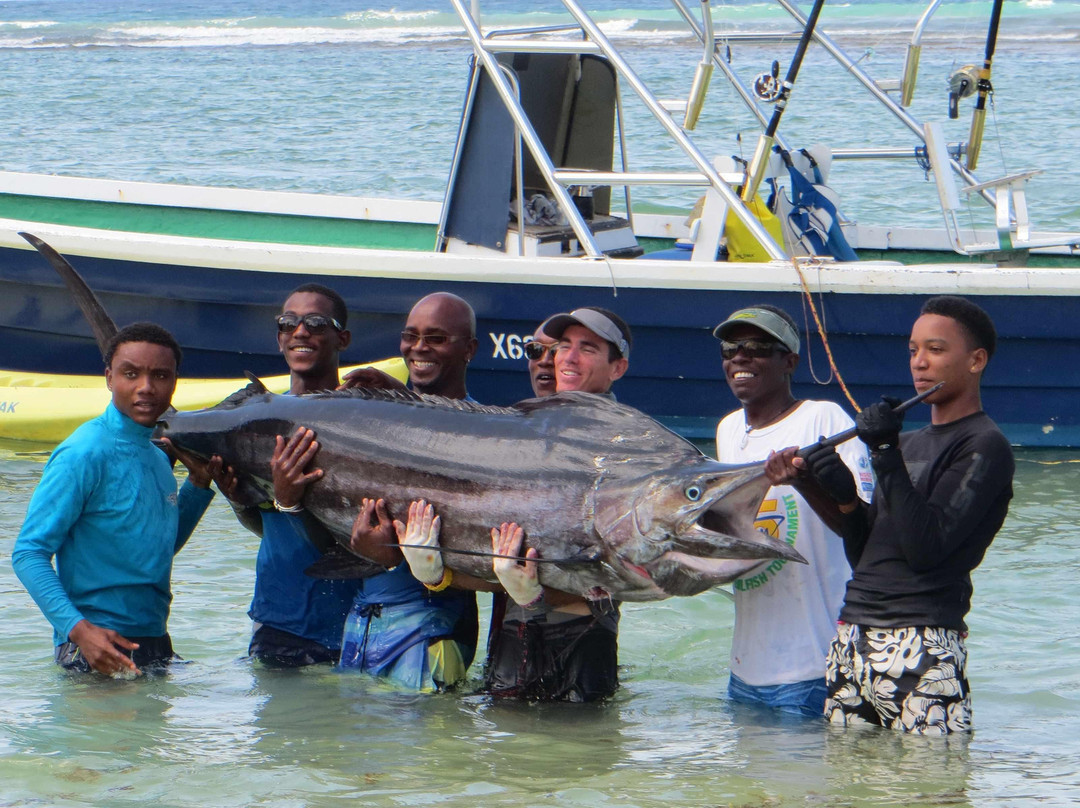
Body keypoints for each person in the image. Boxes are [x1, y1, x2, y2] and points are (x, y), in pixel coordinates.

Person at [766, 295, 1014, 734]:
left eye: (936, 350)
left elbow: (926, 547)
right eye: (913, 351)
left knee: (929, 793)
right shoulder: (911, 443)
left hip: (923, 643)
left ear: (976, 360)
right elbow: (866, 555)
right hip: (853, 637)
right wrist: (830, 491)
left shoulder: (983, 444)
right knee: (851, 788)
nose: (920, 363)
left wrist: (882, 450)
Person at [12, 323, 226, 676]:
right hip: (96, 647)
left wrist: (199, 485)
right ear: (109, 378)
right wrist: (80, 632)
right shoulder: (83, 453)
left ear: (175, 381)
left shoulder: (157, 456)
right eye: (131, 374)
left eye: (159, 375)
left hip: (154, 639)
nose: (145, 387)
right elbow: (28, 553)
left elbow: (155, 549)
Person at [712, 305, 872, 717]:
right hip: (744, 671)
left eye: (757, 347)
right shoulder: (728, 429)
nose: (740, 358)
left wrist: (802, 479)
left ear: (790, 362)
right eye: (731, 349)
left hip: (812, 670)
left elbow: (864, 531)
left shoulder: (824, 418)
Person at [340, 292, 480, 691]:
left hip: (431, 636)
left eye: (436, 338)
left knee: (429, 754)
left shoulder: (481, 434)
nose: (418, 347)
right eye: (411, 335)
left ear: (469, 349)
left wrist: (392, 561)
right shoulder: (387, 420)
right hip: (362, 628)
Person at [231, 283, 363, 667]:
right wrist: (239, 498)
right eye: (289, 323)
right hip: (278, 621)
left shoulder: (363, 419)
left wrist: (290, 502)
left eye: (316, 323)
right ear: (279, 338)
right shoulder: (258, 420)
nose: (300, 332)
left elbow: (349, 540)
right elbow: (266, 526)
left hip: (351, 626)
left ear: (343, 338)